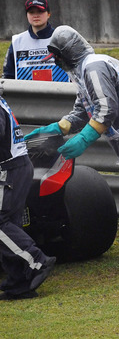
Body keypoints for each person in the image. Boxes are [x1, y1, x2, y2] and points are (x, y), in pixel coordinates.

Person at [23, 26, 119, 266]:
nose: (55, 62)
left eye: (57, 56)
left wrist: (84, 139)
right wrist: (58, 128)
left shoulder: (93, 67)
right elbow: (84, 110)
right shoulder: (84, 69)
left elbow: (106, 109)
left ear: (67, 53)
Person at [0, 94, 56, 300]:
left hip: (9, 169)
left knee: (1, 222)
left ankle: (37, 262)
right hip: (17, 166)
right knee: (10, 225)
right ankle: (19, 284)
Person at [3, 0, 68, 82]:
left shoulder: (63, 39)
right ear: (27, 15)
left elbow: (77, 73)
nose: (36, 15)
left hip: (61, 94)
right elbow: (8, 77)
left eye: (40, 11)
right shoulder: (17, 42)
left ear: (49, 14)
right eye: (31, 12)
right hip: (25, 95)